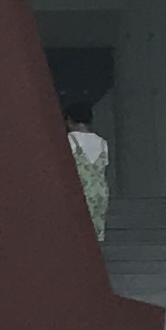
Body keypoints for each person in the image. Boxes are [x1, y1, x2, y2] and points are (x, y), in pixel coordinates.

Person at [64, 94, 114, 243]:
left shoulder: (70, 140)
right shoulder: (102, 142)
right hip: (100, 191)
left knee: (78, 234)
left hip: (81, 189)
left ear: (69, 120)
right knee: (96, 235)